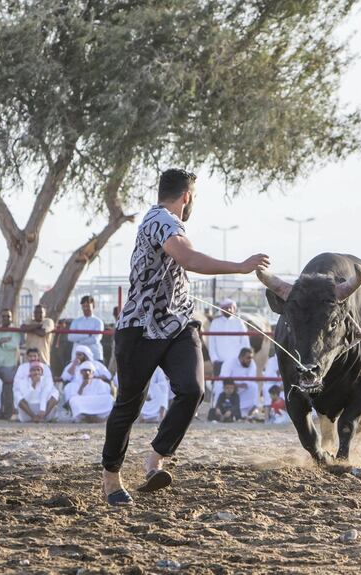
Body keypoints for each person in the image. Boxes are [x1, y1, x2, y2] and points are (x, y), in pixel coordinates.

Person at [101, 168, 270, 505]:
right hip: (139, 328)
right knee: (128, 406)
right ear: (187, 197)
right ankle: (111, 479)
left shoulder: (165, 222)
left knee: (193, 390)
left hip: (177, 325)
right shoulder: (162, 220)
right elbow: (188, 257)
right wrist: (240, 266)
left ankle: (155, 460)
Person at [0, 309, 22, 419]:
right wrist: (3, 340)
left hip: (9, 364)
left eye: (8, 316)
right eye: (4, 316)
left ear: (12, 318)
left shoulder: (15, 330)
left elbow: (14, 344)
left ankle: (8, 413)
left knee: (8, 389)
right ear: (0, 317)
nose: (6, 318)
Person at [207, 299, 250, 378]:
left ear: (234, 309)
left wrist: (242, 359)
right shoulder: (215, 322)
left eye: (230, 307)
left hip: (236, 362)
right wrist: (215, 360)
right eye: (225, 308)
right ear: (221, 310)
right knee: (219, 387)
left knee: (237, 386)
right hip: (220, 362)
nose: (228, 310)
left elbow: (245, 343)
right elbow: (211, 343)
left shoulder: (239, 322)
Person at [216, 347, 261, 419]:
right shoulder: (230, 362)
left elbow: (250, 379)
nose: (250, 360)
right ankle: (219, 410)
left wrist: (240, 385)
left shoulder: (252, 363)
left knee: (254, 387)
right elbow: (224, 378)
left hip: (242, 388)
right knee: (218, 385)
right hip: (229, 386)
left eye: (251, 358)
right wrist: (234, 385)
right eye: (248, 358)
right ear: (241, 357)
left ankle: (246, 411)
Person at [68, 295, 104, 362]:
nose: (85, 308)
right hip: (77, 358)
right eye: (83, 306)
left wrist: (78, 341)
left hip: (95, 356)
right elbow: (70, 337)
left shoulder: (98, 322)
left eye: (87, 306)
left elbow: (95, 339)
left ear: (93, 306)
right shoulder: (76, 321)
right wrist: (88, 335)